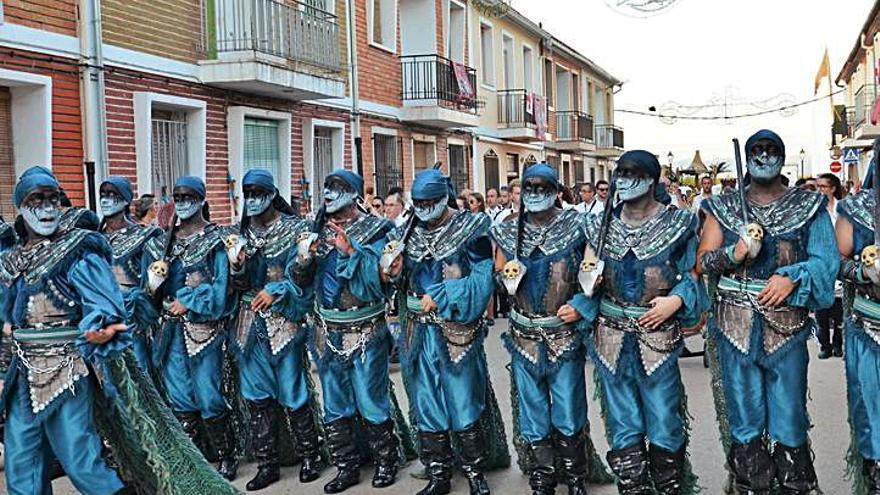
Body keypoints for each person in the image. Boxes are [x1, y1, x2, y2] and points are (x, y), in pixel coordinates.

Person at [1, 167, 237, 495]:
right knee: (20, 459)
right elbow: (6, 316)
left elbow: (103, 301)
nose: (45, 208)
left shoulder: (77, 251)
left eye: (51, 199)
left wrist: (101, 326)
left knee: (81, 459)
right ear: (20, 206)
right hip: (22, 373)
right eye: (35, 200)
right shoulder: (10, 260)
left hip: (68, 368)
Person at [697, 129, 837, 494]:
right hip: (734, 324)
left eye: (771, 150)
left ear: (782, 156)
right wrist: (736, 253)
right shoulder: (723, 206)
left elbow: (826, 262)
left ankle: (795, 485)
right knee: (744, 415)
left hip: (787, 325)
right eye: (756, 150)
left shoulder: (808, 206)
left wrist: (793, 277)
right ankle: (751, 485)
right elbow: (703, 262)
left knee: (789, 413)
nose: (762, 156)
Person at [585, 152, 708, 494]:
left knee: (664, 418)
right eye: (619, 173)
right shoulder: (598, 224)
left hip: (657, 334)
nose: (622, 179)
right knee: (623, 422)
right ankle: (633, 489)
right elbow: (586, 272)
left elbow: (693, 273)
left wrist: (677, 299)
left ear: (652, 180)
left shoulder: (679, 222)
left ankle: (668, 488)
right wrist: (587, 284)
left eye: (632, 173)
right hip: (610, 335)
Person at [387, 168, 507, 495]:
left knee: (463, 398)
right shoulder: (407, 230)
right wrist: (394, 274)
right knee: (426, 400)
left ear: (444, 198)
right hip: (416, 330)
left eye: (430, 202)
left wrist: (443, 295)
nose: (424, 208)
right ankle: (438, 473)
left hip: (456, 329)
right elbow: (397, 278)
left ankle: (474, 473)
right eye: (418, 202)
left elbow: (483, 280)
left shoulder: (473, 228)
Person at [492, 163, 603, 495]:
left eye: (543, 189)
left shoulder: (579, 225)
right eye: (529, 189)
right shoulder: (508, 229)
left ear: (557, 191)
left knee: (569, 406)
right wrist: (505, 280)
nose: (536, 195)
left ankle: (575, 477)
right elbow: (497, 275)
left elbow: (593, 277)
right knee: (533, 407)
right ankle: (543, 475)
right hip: (523, 333)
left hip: (564, 333)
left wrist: (581, 306)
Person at [295, 170, 403, 493]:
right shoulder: (312, 230)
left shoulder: (379, 229)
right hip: (327, 330)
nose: (329, 193)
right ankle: (346, 466)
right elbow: (298, 281)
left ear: (354, 193)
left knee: (371, 399)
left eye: (337, 188)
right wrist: (303, 260)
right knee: (335, 402)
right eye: (326, 187)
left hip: (366, 328)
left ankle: (386, 461)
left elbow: (384, 281)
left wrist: (351, 252)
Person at [227, 169, 324, 490]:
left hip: (284, 319)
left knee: (292, 390)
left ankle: (310, 456)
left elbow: (305, 277)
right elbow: (234, 283)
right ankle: (267, 464)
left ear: (272, 194)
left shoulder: (297, 229)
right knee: (256, 396)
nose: (252, 200)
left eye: (258, 193)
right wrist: (237, 266)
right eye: (247, 194)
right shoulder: (238, 234)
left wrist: (279, 289)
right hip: (248, 322)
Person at [142, 176, 239, 480]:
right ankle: (194, 456)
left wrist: (189, 300)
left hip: (204, 327)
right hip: (169, 329)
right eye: (177, 198)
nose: (182, 203)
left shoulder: (216, 239)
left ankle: (225, 454)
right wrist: (153, 286)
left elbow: (222, 288)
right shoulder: (161, 241)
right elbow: (151, 291)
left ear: (200, 199)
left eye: (188, 197)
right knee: (180, 394)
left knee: (208, 391)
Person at [836, 149, 880, 493]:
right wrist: (865, 271)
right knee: (871, 405)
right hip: (870, 326)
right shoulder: (856, 207)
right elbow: (836, 260)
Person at [98, 177, 162, 371]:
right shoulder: (94, 238)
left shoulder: (144, 236)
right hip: (98, 319)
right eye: (103, 195)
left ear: (126, 200)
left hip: (133, 320)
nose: (106, 200)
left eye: (112, 195)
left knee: (136, 377)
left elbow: (153, 285)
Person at [817, 173, 845, 359]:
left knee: (839, 308)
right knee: (821, 306)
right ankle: (824, 345)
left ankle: (837, 344)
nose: (819, 190)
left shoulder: (842, 208)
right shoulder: (815, 209)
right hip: (820, 261)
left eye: (823, 186)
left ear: (832, 188)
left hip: (841, 260)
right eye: (817, 186)